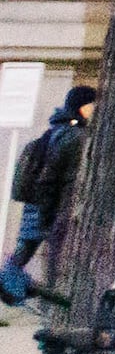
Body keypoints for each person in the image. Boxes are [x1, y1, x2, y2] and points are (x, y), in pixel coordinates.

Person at [3, 82, 89, 305]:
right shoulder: (75, 137)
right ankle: (46, 306)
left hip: (37, 207)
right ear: (82, 107)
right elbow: (53, 178)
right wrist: (51, 212)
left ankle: (12, 286)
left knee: (23, 256)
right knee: (54, 266)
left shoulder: (53, 132)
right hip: (53, 209)